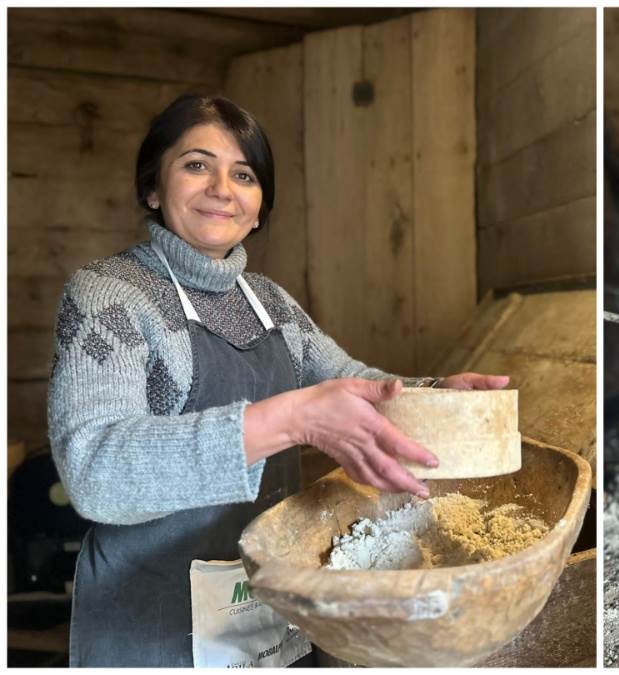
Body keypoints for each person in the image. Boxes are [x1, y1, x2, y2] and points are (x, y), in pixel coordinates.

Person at [47, 94, 508, 667]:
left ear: (259, 206)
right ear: (152, 187)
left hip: (267, 606)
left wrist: (436, 393)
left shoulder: (268, 303)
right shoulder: (110, 295)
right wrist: (291, 417)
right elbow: (94, 473)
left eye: (243, 174)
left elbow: (353, 381)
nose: (221, 187)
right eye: (196, 165)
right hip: (153, 624)